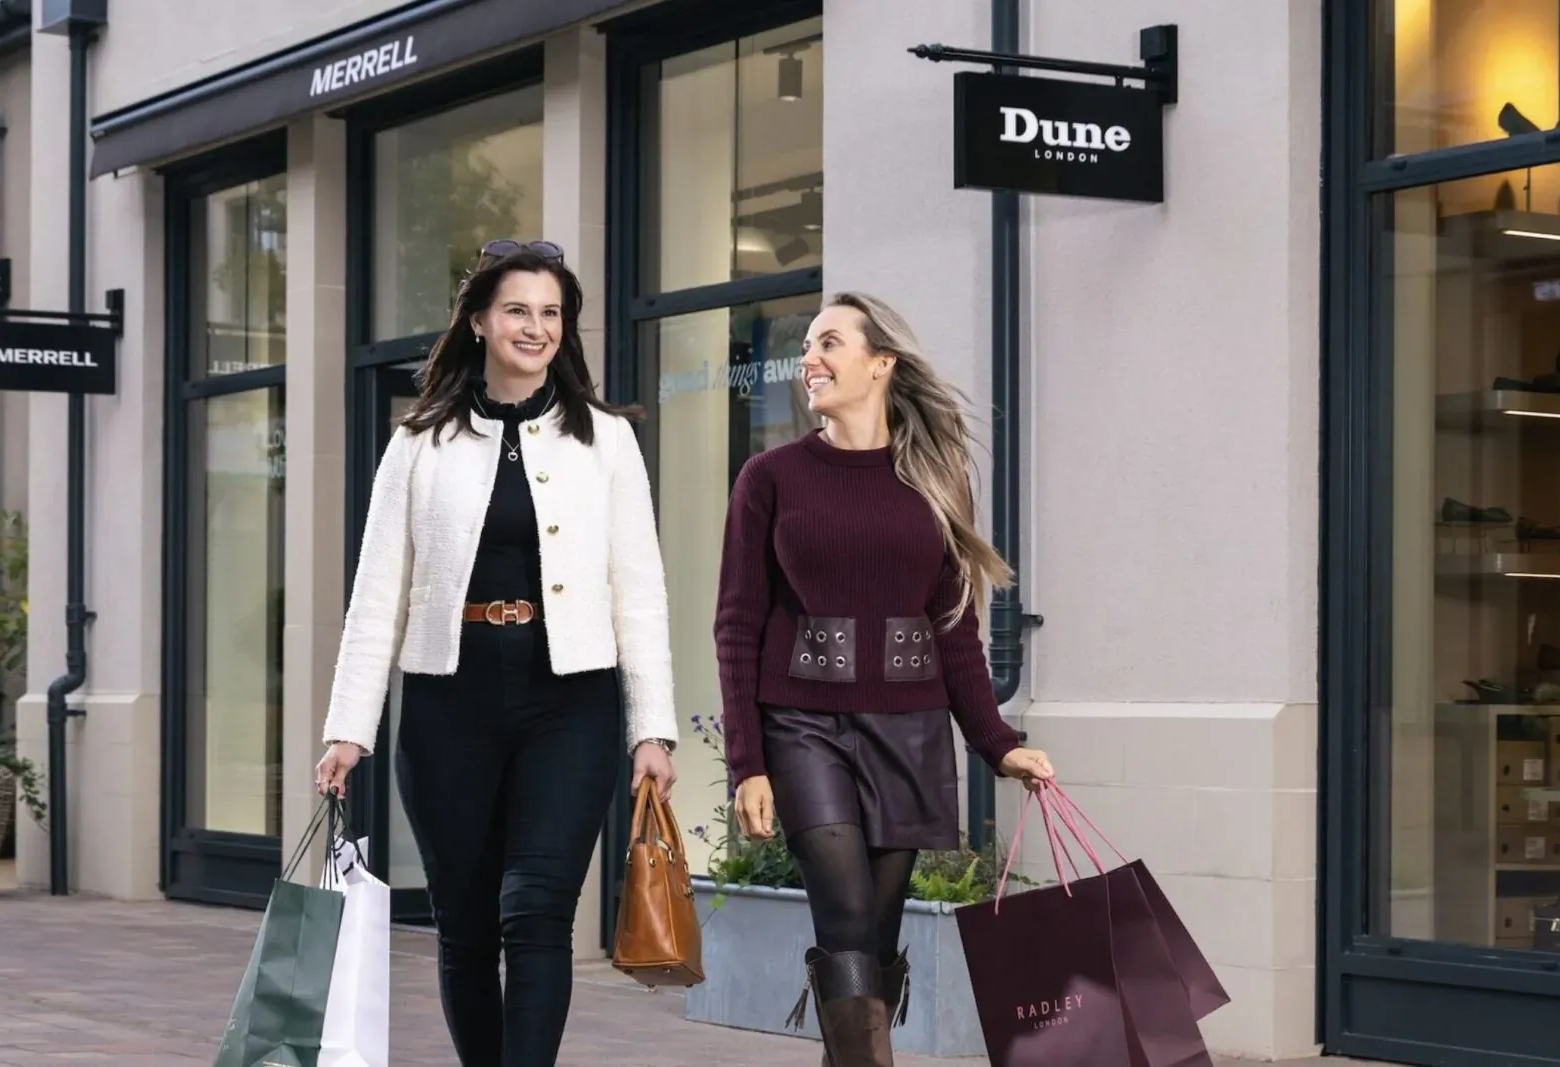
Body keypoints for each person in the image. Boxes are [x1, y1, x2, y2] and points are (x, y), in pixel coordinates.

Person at [315, 241, 680, 1067]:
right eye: (518, 310)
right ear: (479, 320)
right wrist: (349, 728)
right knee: (467, 921)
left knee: (540, 910)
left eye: (551, 313)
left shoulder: (608, 441)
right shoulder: (417, 443)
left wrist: (651, 727)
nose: (536, 327)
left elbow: (640, 588)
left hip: (571, 702)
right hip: (451, 704)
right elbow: (379, 592)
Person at [715, 291, 1056, 1066]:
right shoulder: (769, 477)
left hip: (909, 728)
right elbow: (737, 623)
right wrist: (749, 761)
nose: (811, 358)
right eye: (807, 345)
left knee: (875, 930)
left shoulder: (936, 479)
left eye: (829, 342)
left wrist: (999, 744)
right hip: (801, 723)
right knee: (842, 911)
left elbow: (955, 629)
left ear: (881, 363)